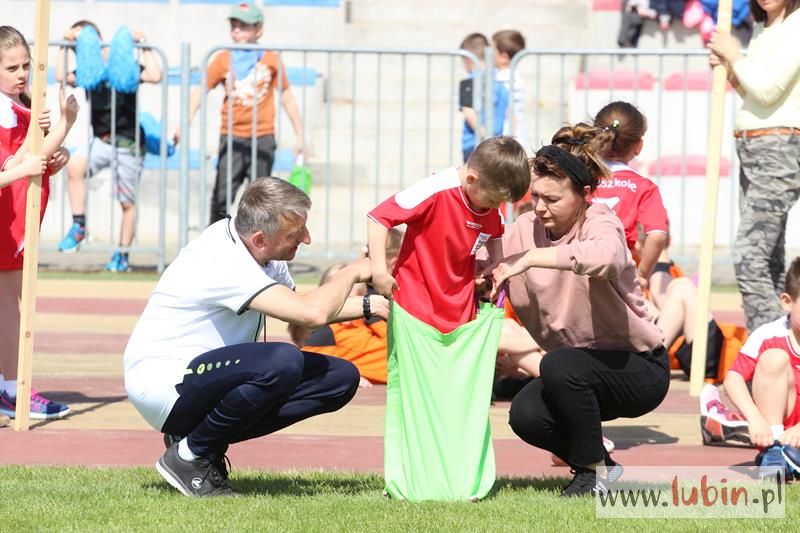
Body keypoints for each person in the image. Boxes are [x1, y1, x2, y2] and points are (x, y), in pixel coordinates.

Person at [124, 177, 387, 497]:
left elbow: (299, 307)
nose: (306, 238)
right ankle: (190, 456)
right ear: (260, 239)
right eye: (296, 233)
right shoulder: (222, 258)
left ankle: (197, 440)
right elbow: (312, 314)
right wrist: (353, 271)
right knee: (282, 360)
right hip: (165, 384)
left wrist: (372, 305)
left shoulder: (260, 251)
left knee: (339, 378)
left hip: (202, 378)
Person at [489, 123, 670, 497]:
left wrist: (529, 259)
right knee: (526, 414)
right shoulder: (524, 228)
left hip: (639, 368)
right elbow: (483, 265)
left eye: (552, 199)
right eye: (536, 196)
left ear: (585, 194)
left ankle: (591, 474)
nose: (540, 207)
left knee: (559, 364)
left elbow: (607, 257)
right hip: (576, 370)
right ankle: (604, 469)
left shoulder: (600, 220)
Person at [368, 135, 529, 501]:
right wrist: (379, 269)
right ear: (472, 179)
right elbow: (378, 218)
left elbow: (494, 236)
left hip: (460, 310)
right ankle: (412, 476)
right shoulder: (436, 189)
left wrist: (495, 267)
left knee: (455, 398)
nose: (495, 208)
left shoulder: (487, 198)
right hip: (416, 307)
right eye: (493, 201)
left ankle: (455, 476)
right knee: (417, 397)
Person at [0, 25, 79, 420]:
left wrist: (56, 154)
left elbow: (31, 160)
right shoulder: (4, 111)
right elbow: (15, 165)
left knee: (11, 305)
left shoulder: (23, 105)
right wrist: (64, 125)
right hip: (6, 219)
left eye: (25, 66)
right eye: (11, 67)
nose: (21, 74)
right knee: (11, 308)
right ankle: (14, 389)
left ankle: (9, 385)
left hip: (18, 219)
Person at [709, 0, 800, 333]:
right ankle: (781, 344)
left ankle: (769, 345)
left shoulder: (797, 24)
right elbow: (753, 92)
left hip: (779, 146)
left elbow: (767, 91)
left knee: (749, 257)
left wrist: (735, 55)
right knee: (768, 258)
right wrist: (731, 71)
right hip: (753, 144)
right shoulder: (764, 28)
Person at [176, 0, 304, 224]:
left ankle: (259, 244)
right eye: (234, 25)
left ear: (258, 29)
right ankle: (215, 239)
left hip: (262, 138)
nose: (237, 30)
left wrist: (300, 134)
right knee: (221, 196)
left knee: (263, 201)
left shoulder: (271, 59)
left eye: (244, 26)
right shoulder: (222, 58)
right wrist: (184, 123)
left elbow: (287, 96)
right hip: (232, 138)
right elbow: (200, 91)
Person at [54, 20, 162, 272]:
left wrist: (144, 43)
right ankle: (79, 225)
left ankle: (122, 255)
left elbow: (155, 75)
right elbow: (60, 76)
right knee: (75, 167)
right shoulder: (88, 70)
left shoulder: (124, 64)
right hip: (101, 141)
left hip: (128, 143)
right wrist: (65, 43)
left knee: (127, 203)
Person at [724, 256, 800, 476]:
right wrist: (755, 419)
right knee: (773, 358)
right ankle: (775, 451)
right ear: (787, 302)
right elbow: (733, 379)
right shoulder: (769, 334)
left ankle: (791, 459)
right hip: (782, 429)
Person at [592, 101, 669, 290]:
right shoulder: (644, 187)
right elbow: (657, 236)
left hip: (575, 268)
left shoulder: (579, 177)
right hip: (617, 274)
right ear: (638, 146)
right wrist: (642, 275)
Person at [458, 33, 509, 162]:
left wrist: (485, 137)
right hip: (498, 144)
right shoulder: (500, 79)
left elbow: (469, 113)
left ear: (468, 59)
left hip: (475, 144)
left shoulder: (467, 83)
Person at [492, 30, 527, 148]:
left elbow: (512, 113)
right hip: (513, 139)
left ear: (504, 56)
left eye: (493, 50)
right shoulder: (515, 77)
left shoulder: (503, 79)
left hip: (507, 141)